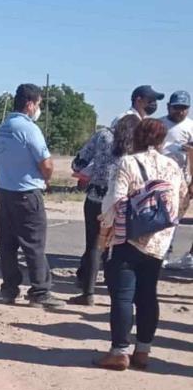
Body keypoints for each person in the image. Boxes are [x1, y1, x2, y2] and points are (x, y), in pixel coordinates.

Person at [94, 119, 187, 371]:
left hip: (126, 239)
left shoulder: (127, 162)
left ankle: (119, 352)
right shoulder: (173, 165)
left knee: (123, 296)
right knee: (148, 296)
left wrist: (105, 231)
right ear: (162, 140)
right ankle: (143, 350)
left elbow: (114, 200)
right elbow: (180, 201)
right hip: (158, 241)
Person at [0, 84, 63, 308]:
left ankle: (9, 289)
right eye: (39, 104)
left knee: (8, 244)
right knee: (34, 244)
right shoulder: (29, 128)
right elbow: (46, 163)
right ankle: (40, 291)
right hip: (26, 193)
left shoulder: (3, 127)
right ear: (30, 104)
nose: (38, 109)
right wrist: (47, 178)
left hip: (5, 192)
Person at [68, 115, 140, 305]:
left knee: (94, 245)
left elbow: (79, 162)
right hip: (123, 201)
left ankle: (88, 293)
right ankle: (115, 292)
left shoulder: (103, 136)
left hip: (96, 198)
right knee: (117, 246)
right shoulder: (138, 142)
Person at [160, 90, 193, 270]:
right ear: (169, 107)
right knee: (158, 217)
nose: (180, 111)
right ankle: (159, 253)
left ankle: (167, 252)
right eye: (176, 108)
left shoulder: (191, 127)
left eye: (183, 108)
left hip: (181, 180)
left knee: (174, 218)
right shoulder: (159, 124)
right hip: (158, 178)